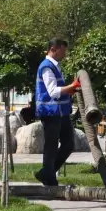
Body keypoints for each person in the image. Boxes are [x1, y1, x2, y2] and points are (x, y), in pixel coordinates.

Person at [35, 38, 81, 187]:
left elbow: (59, 91)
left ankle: (46, 173)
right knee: (51, 146)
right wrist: (71, 86)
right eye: (63, 50)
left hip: (61, 112)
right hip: (50, 113)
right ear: (53, 49)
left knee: (68, 144)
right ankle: (49, 179)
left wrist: (70, 90)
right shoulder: (47, 67)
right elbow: (53, 92)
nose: (65, 53)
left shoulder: (55, 66)